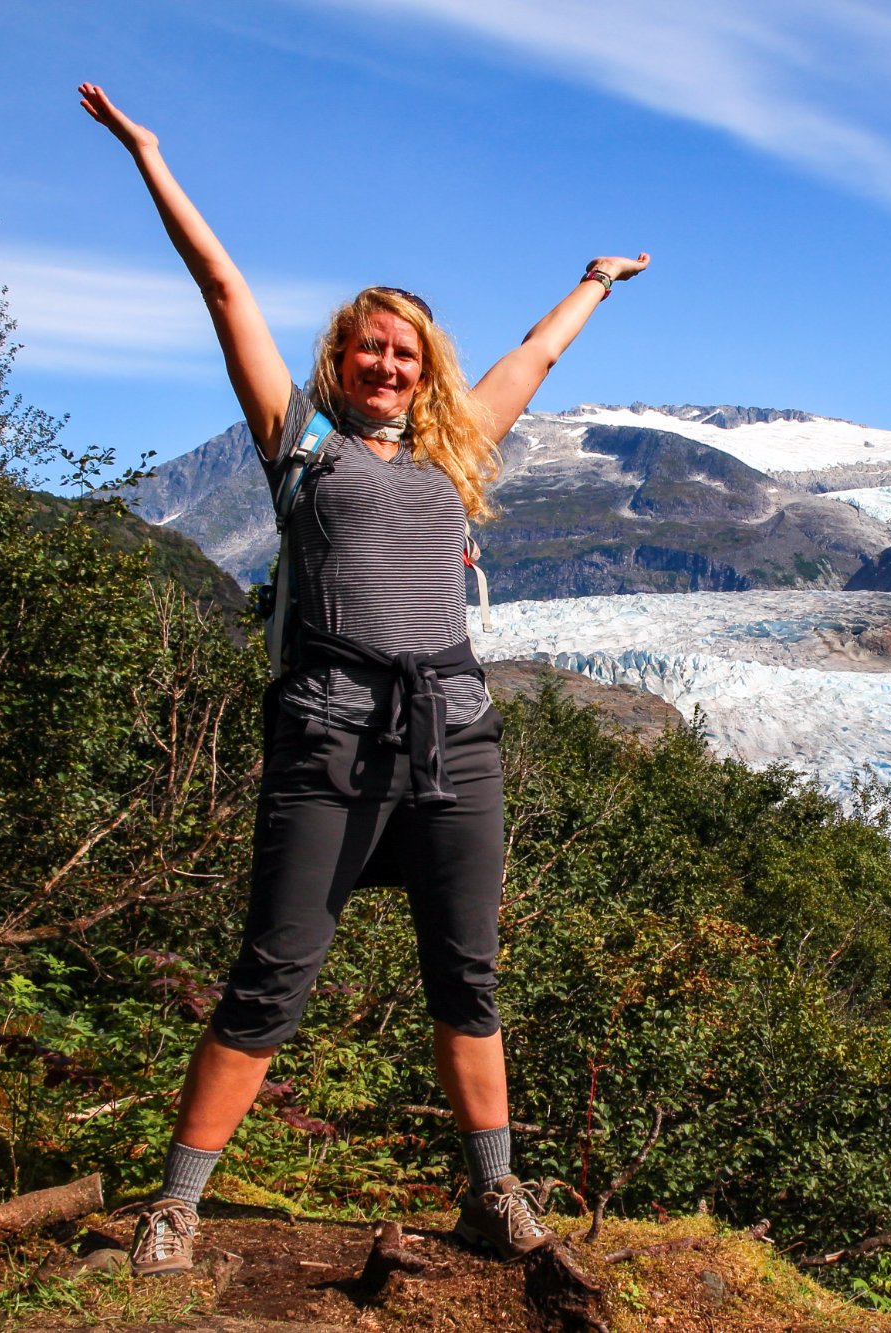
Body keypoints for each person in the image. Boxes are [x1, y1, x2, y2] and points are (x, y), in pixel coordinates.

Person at [77, 83, 648, 1274]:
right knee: (272, 971)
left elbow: (530, 357)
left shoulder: (458, 447)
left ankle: (493, 1194)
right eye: (367, 345)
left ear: (422, 369)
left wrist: (592, 282)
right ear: (337, 359)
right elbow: (222, 287)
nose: (386, 362)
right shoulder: (299, 444)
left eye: (405, 351)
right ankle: (180, 1201)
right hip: (327, 735)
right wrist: (148, 154)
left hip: (454, 734)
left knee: (467, 972)